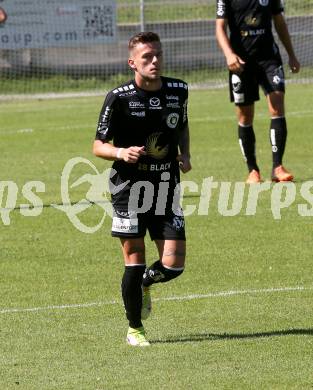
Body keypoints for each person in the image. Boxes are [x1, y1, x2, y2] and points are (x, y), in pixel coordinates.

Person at [93, 32, 191, 346]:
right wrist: (120, 152)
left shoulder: (179, 89)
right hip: (128, 188)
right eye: (147, 57)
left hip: (166, 186)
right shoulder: (118, 97)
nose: (155, 61)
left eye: (158, 55)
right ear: (132, 62)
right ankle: (135, 328)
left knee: (174, 264)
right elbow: (97, 145)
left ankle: (147, 282)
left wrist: (185, 153)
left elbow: (183, 124)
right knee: (134, 257)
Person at [216, 0, 300, 183]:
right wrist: (229, 54)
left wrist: (291, 55)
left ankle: (278, 167)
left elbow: (279, 22)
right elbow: (220, 27)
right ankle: (253, 170)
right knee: (245, 115)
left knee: (277, 105)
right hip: (240, 63)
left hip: (269, 60)